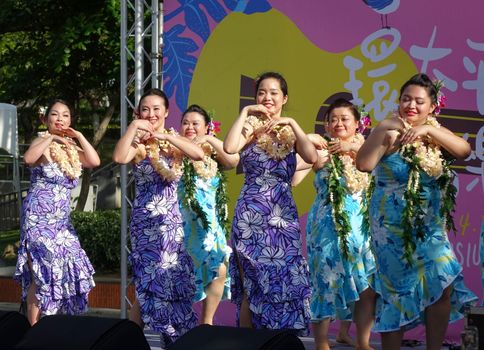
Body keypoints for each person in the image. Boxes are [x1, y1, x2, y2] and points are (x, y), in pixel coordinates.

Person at [356, 73, 477, 350]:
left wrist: (428, 131)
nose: (411, 105)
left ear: (432, 107)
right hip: (392, 231)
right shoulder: (389, 133)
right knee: (396, 295)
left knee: (443, 282)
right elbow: (363, 164)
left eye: (419, 101)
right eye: (406, 99)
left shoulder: (436, 135)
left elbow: (463, 149)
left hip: (430, 229)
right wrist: (382, 129)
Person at [223, 71, 317, 335]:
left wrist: (291, 123)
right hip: (251, 214)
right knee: (252, 281)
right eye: (262, 92)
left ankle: (280, 339)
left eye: (274, 93)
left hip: (282, 214)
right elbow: (230, 148)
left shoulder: (290, 130)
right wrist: (245, 114)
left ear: (284, 98)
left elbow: (311, 156)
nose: (267, 98)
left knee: (285, 276)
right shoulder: (250, 128)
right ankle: (249, 341)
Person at [112, 88, 204, 345]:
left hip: (171, 226)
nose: (151, 114)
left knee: (171, 282)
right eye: (145, 109)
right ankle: (134, 341)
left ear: (166, 112)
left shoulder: (174, 142)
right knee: (148, 284)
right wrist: (134, 127)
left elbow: (198, 154)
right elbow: (119, 156)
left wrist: (164, 136)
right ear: (138, 112)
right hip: (146, 225)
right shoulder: (139, 146)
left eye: (156, 109)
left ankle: (173, 340)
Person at [292, 98, 376, 350]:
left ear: (357, 125)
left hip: (361, 229)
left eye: (344, 119)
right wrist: (307, 141)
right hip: (326, 229)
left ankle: (360, 340)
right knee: (326, 282)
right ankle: (321, 342)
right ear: (326, 126)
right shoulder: (321, 152)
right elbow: (295, 177)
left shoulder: (367, 150)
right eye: (333, 119)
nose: (338, 123)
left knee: (365, 285)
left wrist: (352, 148)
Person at [14, 99, 100, 325]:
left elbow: (94, 160)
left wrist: (78, 136)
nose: (60, 119)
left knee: (67, 266)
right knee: (42, 272)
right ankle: (33, 330)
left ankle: (55, 324)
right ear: (46, 119)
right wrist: (51, 137)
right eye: (55, 114)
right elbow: (29, 159)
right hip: (37, 218)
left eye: (65, 115)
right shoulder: (41, 142)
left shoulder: (72, 149)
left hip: (61, 222)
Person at [178, 104, 239, 325]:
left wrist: (210, 140)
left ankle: (207, 323)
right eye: (186, 123)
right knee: (178, 274)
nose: (190, 127)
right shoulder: (173, 147)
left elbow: (232, 161)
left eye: (196, 124)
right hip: (180, 222)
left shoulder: (212, 154)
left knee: (219, 269)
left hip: (209, 226)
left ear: (207, 127)